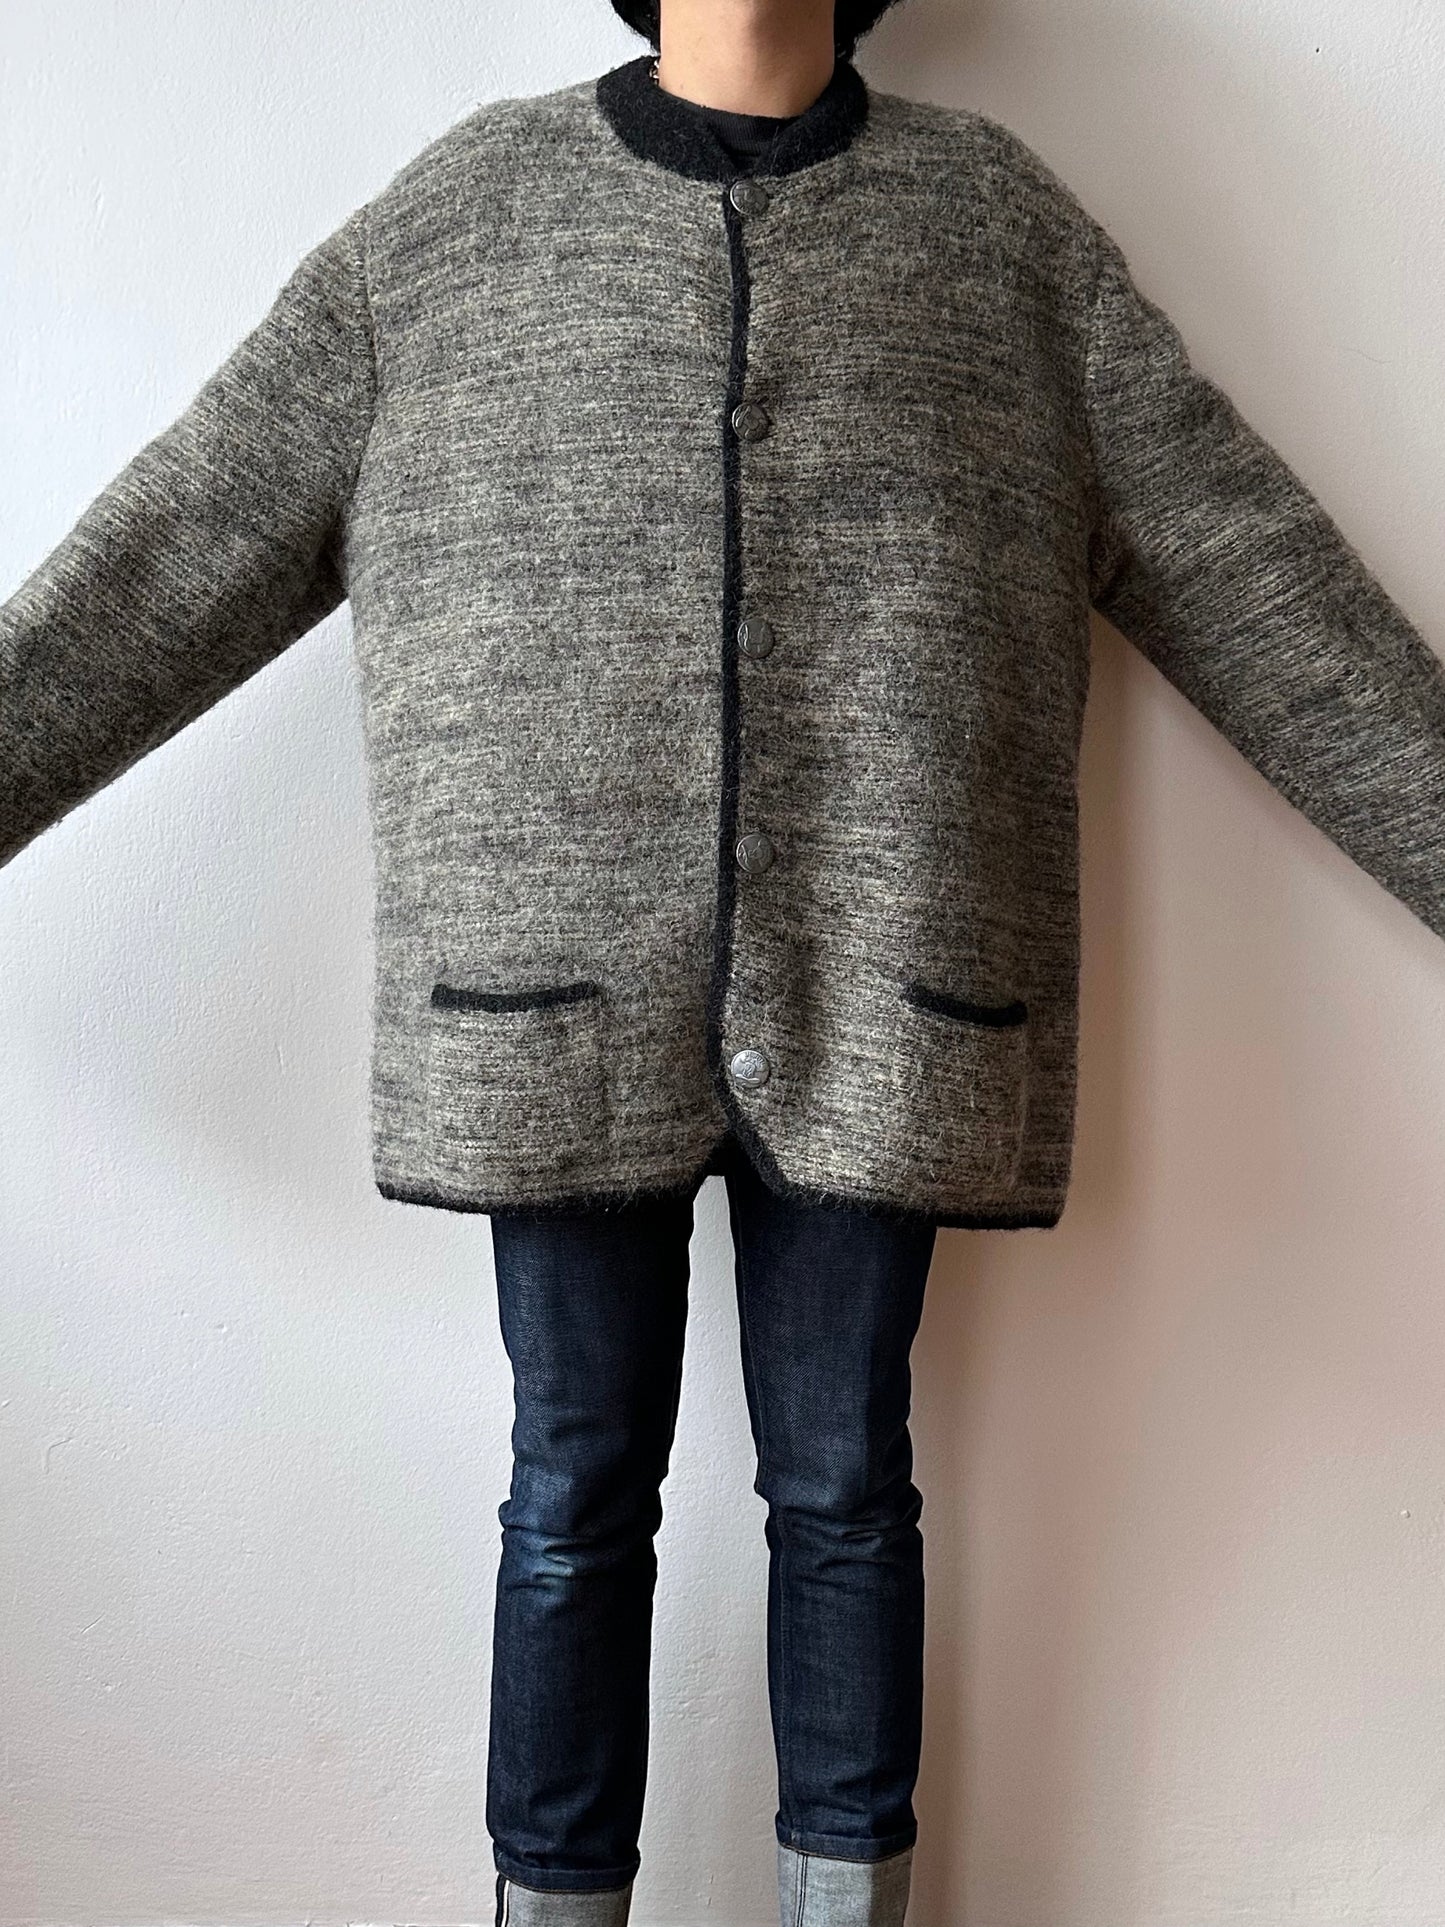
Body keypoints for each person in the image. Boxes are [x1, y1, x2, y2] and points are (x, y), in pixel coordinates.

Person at [4, 2, 1443, 1924]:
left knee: (844, 1488)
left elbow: (1250, 570)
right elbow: (176, 547)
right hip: (552, 1008)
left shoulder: (998, 236)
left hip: (887, 987)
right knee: (569, 1494)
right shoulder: (455, 227)